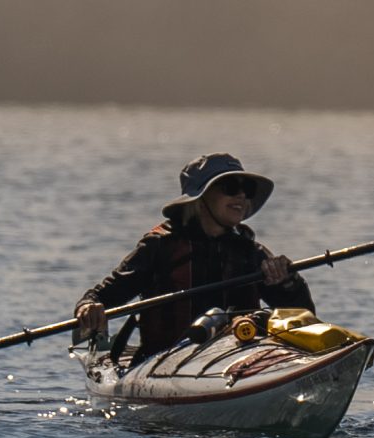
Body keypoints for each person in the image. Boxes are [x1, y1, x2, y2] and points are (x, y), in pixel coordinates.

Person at [73, 153, 314, 358]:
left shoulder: (251, 253)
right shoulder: (159, 246)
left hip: (238, 357)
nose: (241, 196)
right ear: (201, 198)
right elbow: (103, 295)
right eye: (230, 188)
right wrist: (89, 306)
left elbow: (305, 317)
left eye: (247, 190)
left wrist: (287, 282)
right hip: (164, 362)